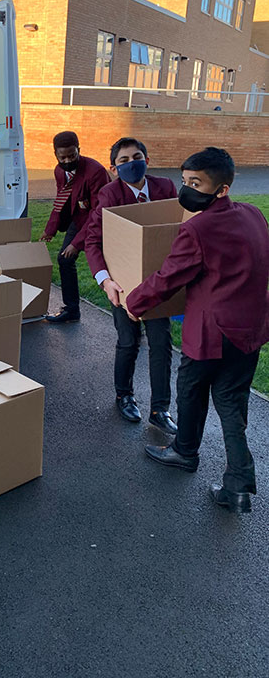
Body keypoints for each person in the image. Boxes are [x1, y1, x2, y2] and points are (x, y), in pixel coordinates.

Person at [126, 147, 269, 514]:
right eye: (184, 180)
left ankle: (184, 452)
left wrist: (133, 302)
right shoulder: (254, 215)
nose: (186, 189)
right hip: (249, 330)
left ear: (221, 189)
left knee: (190, 391)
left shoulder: (197, 228)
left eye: (196, 183)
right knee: (232, 404)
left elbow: (167, 278)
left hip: (210, 333)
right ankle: (238, 487)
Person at [85, 137, 177, 434]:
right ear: (114, 168)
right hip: (122, 286)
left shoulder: (165, 188)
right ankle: (124, 395)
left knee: (162, 344)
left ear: (146, 159)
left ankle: (160, 408)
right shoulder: (109, 195)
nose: (131, 164)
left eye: (136, 157)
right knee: (128, 341)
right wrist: (105, 280)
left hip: (158, 284)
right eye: (123, 161)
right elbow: (92, 241)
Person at [40, 131, 110, 323]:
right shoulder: (59, 170)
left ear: (79, 149)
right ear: (56, 154)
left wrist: (77, 243)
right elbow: (61, 199)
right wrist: (50, 229)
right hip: (79, 219)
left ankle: (131, 315)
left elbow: (99, 212)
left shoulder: (95, 172)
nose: (68, 160)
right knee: (64, 260)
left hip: (103, 221)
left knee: (110, 266)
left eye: (72, 155)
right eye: (63, 157)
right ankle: (72, 310)